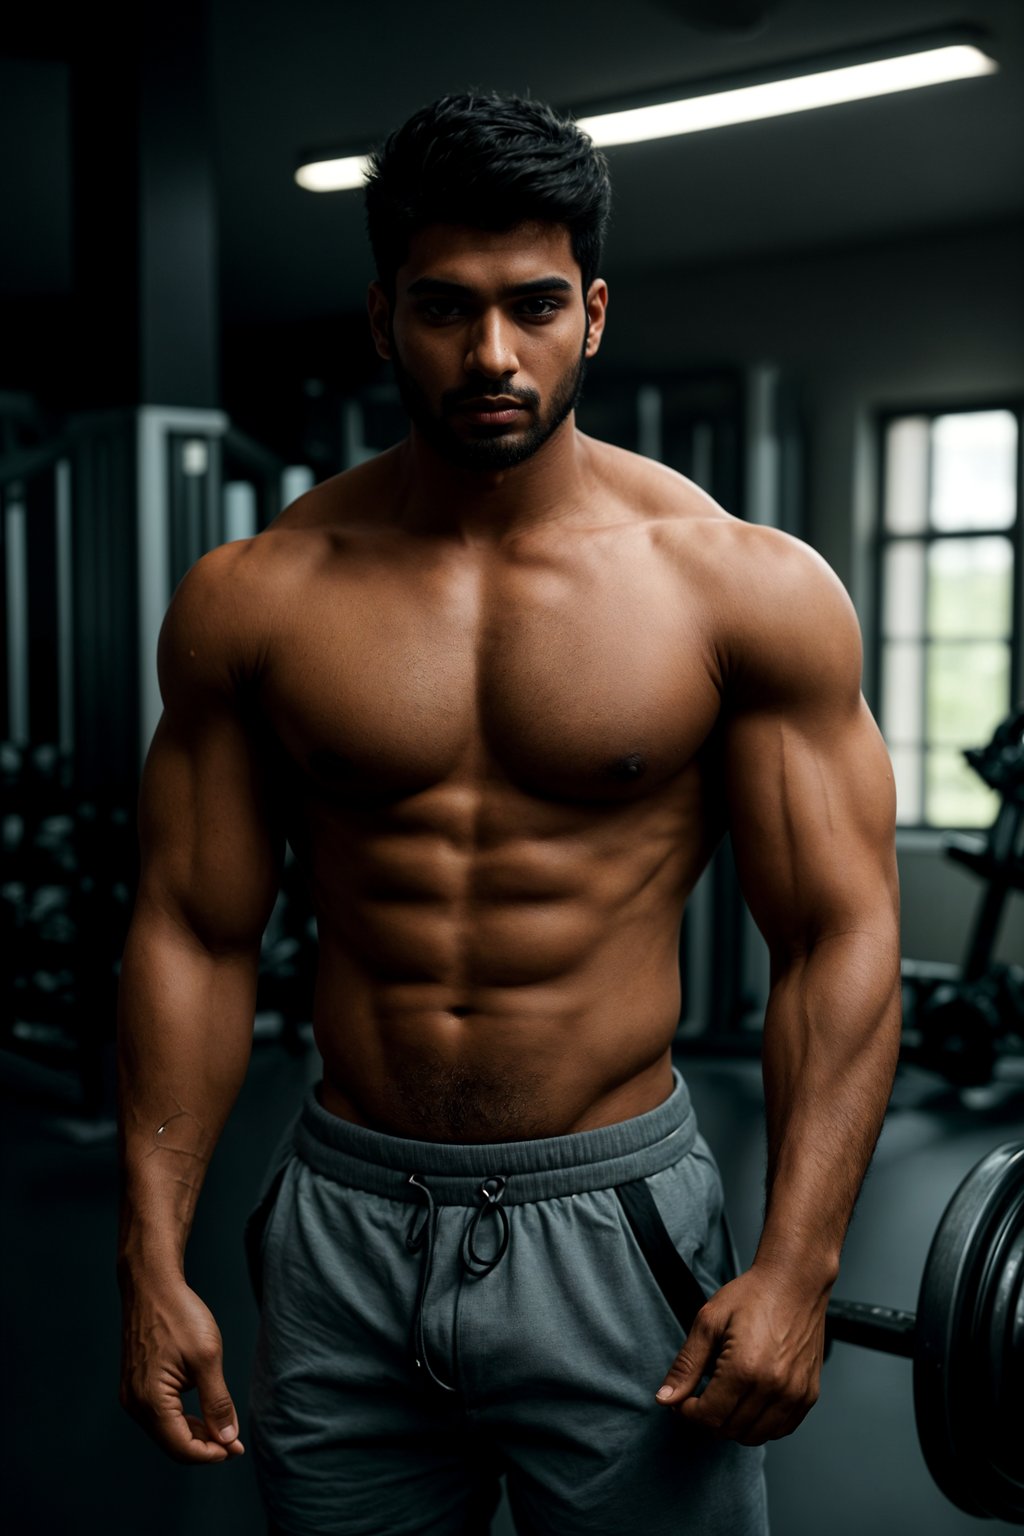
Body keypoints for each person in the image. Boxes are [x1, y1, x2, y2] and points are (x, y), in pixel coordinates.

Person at [117, 91, 901, 1536]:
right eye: (445, 308)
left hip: (621, 1221)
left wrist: (799, 1265)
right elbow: (192, 930)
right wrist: (150, 1255)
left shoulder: (740, 587)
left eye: (534, 305)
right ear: (381, 318)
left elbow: (839, 933)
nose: (492, 354)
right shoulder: (255, 601)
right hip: (344, 1217)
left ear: (593, 312)